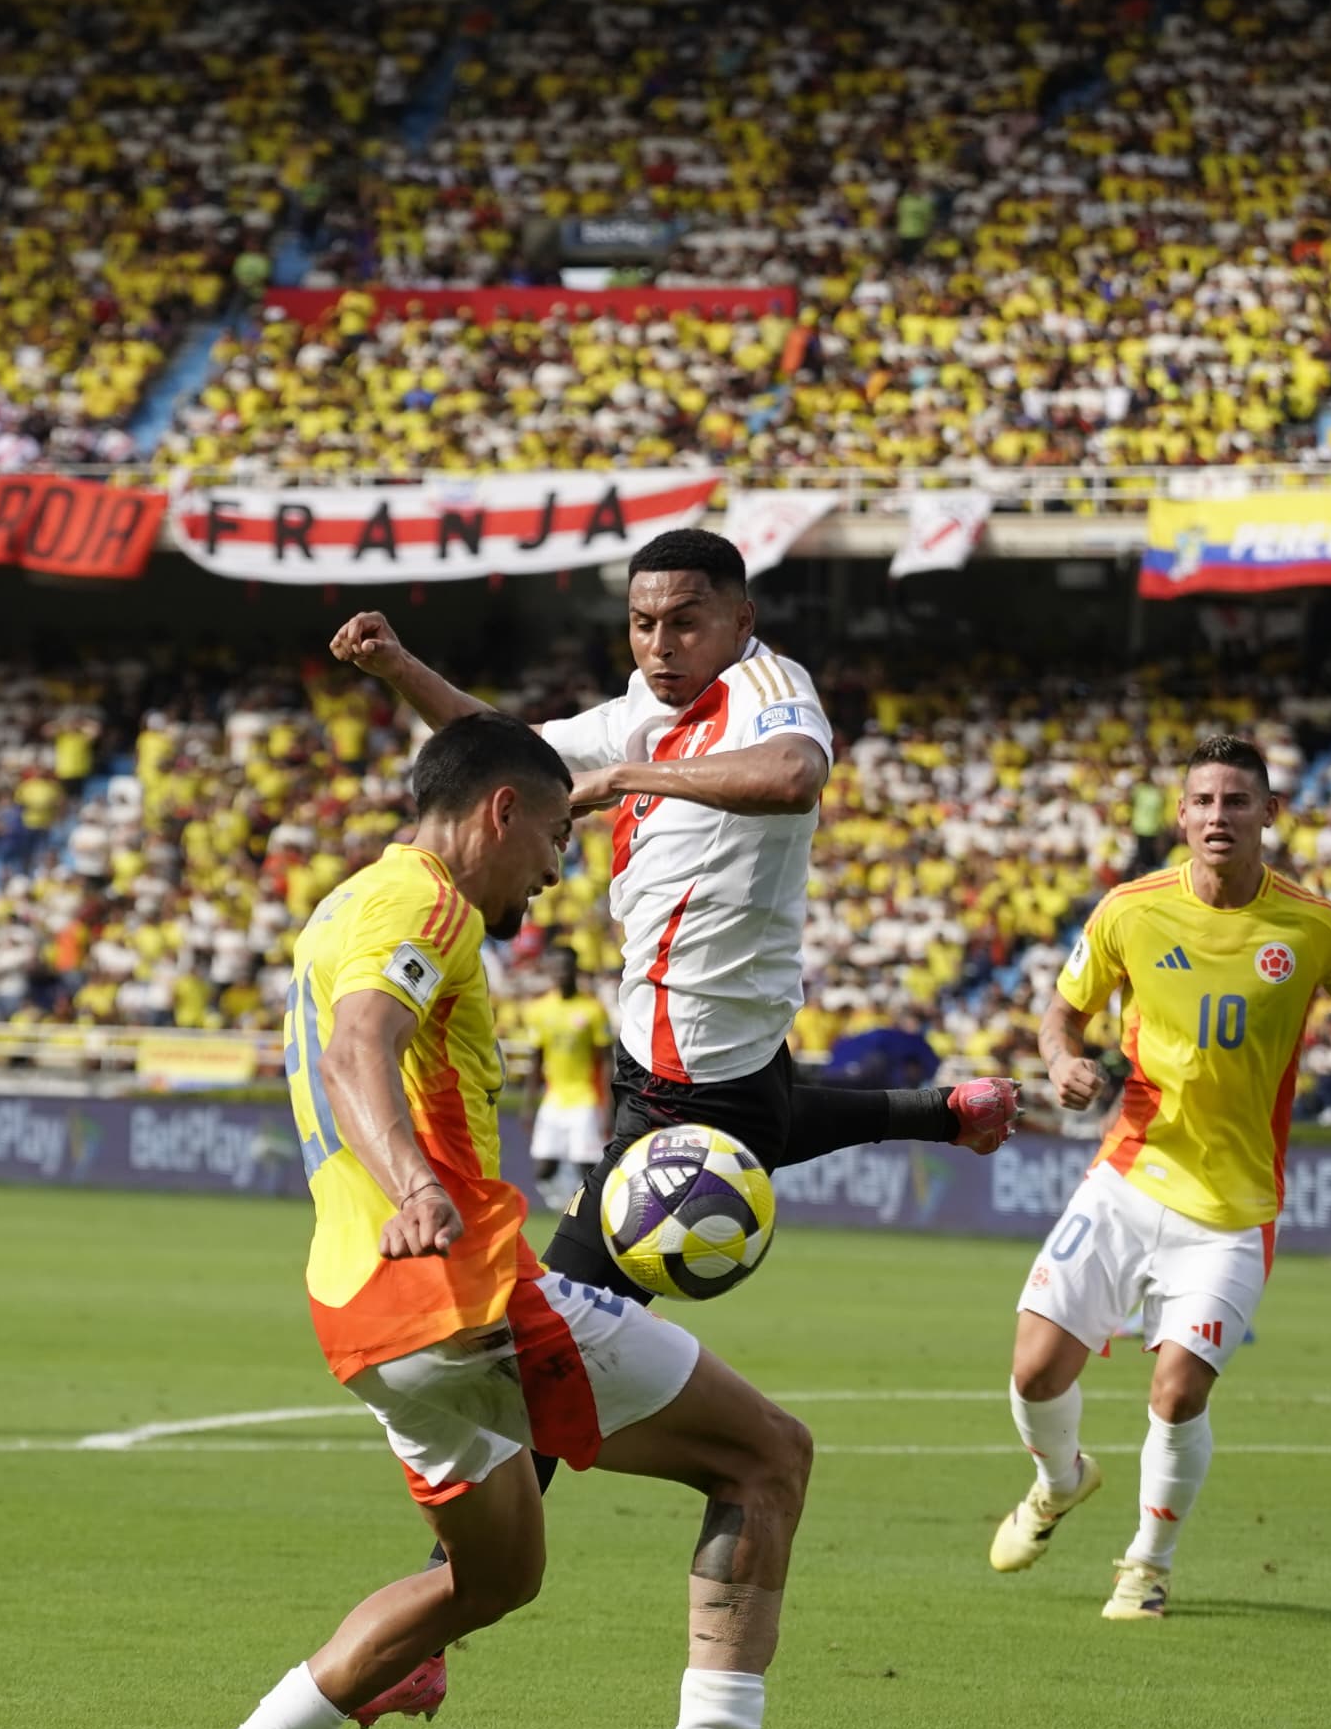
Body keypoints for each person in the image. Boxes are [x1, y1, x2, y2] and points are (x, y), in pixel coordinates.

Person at [151, 714, 833, 1729]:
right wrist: (416, 1186)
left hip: (364, 1322)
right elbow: (357, 1047)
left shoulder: (343, 905)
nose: (557, 870)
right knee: (766, 1457)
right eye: (556, 838)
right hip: (460, 1295)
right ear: (499, 811)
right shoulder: (422, 901)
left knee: (492, 1579)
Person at [330, 528, 1010, 1309]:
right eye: (643, 623)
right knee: (759, 1118)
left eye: (685, 622)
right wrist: (399, 668)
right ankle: (943, 1113)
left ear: (741, 620)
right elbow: (506, 751)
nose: (660, 645)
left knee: (552, 1325)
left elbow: (794, 773)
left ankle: (935, 1118)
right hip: (700, 1054)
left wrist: (626, 775)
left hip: (685, 1076)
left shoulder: (766, 687)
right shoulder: (640, 706)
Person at [990, 734, 1331, 1613]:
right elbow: (1063, 1013)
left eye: (1237, 801)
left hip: (1234, 1209)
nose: (1218, 816)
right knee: (1035, 1370)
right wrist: (1060, 1060)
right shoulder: (1130, 910)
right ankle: (1058, 1482)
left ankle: (1147, 1565)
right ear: (1180, 814)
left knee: (1178, 1389)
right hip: (1127, 1177)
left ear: (1269, 813)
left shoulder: (1312, 927)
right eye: (1202, 800)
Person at [524, 950, 614, 1208]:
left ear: (575, 970)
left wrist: (608, 1106)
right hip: (554, 1098)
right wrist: (529, 1104)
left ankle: (590, 1215)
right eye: (556, 968)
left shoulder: (593, 1009)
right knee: (544, 1169)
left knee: (587, 1168)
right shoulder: (539, 1010)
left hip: (585, 1098)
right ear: (549, 972)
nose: (561, 973)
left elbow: (606, 1061)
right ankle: (567, 1209)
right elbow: (536, 1061)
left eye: (565, 968)